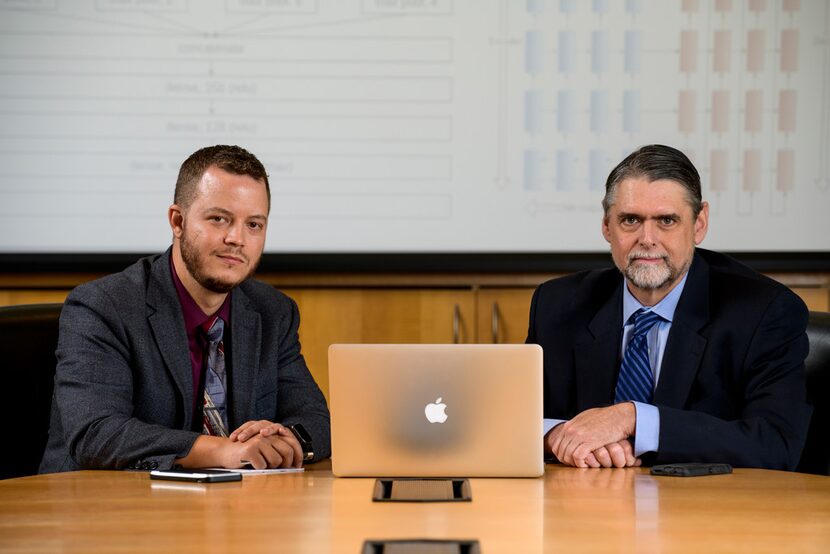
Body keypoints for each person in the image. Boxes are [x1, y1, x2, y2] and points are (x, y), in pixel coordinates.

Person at [40, 145, 330, 473]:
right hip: (103, 508)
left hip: (231, 512)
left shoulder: (272, 312)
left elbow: (316, 420)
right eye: (219, 219)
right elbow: (96, 433)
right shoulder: (103, 307)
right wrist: (222, 452)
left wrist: (287, 439)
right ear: (177, 221)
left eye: (254, 225)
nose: (237, 238)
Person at [527, 144, 811, 470]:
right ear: (607, 226)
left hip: (705, 512)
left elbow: (776, 444)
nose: (647, 238)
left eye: (666, 220)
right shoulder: (557, 305)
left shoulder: (764, 312)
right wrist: (557, 435)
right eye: (630, 220)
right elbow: (512, 419)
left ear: (699, 223)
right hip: (585, 506)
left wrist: (634, 418)